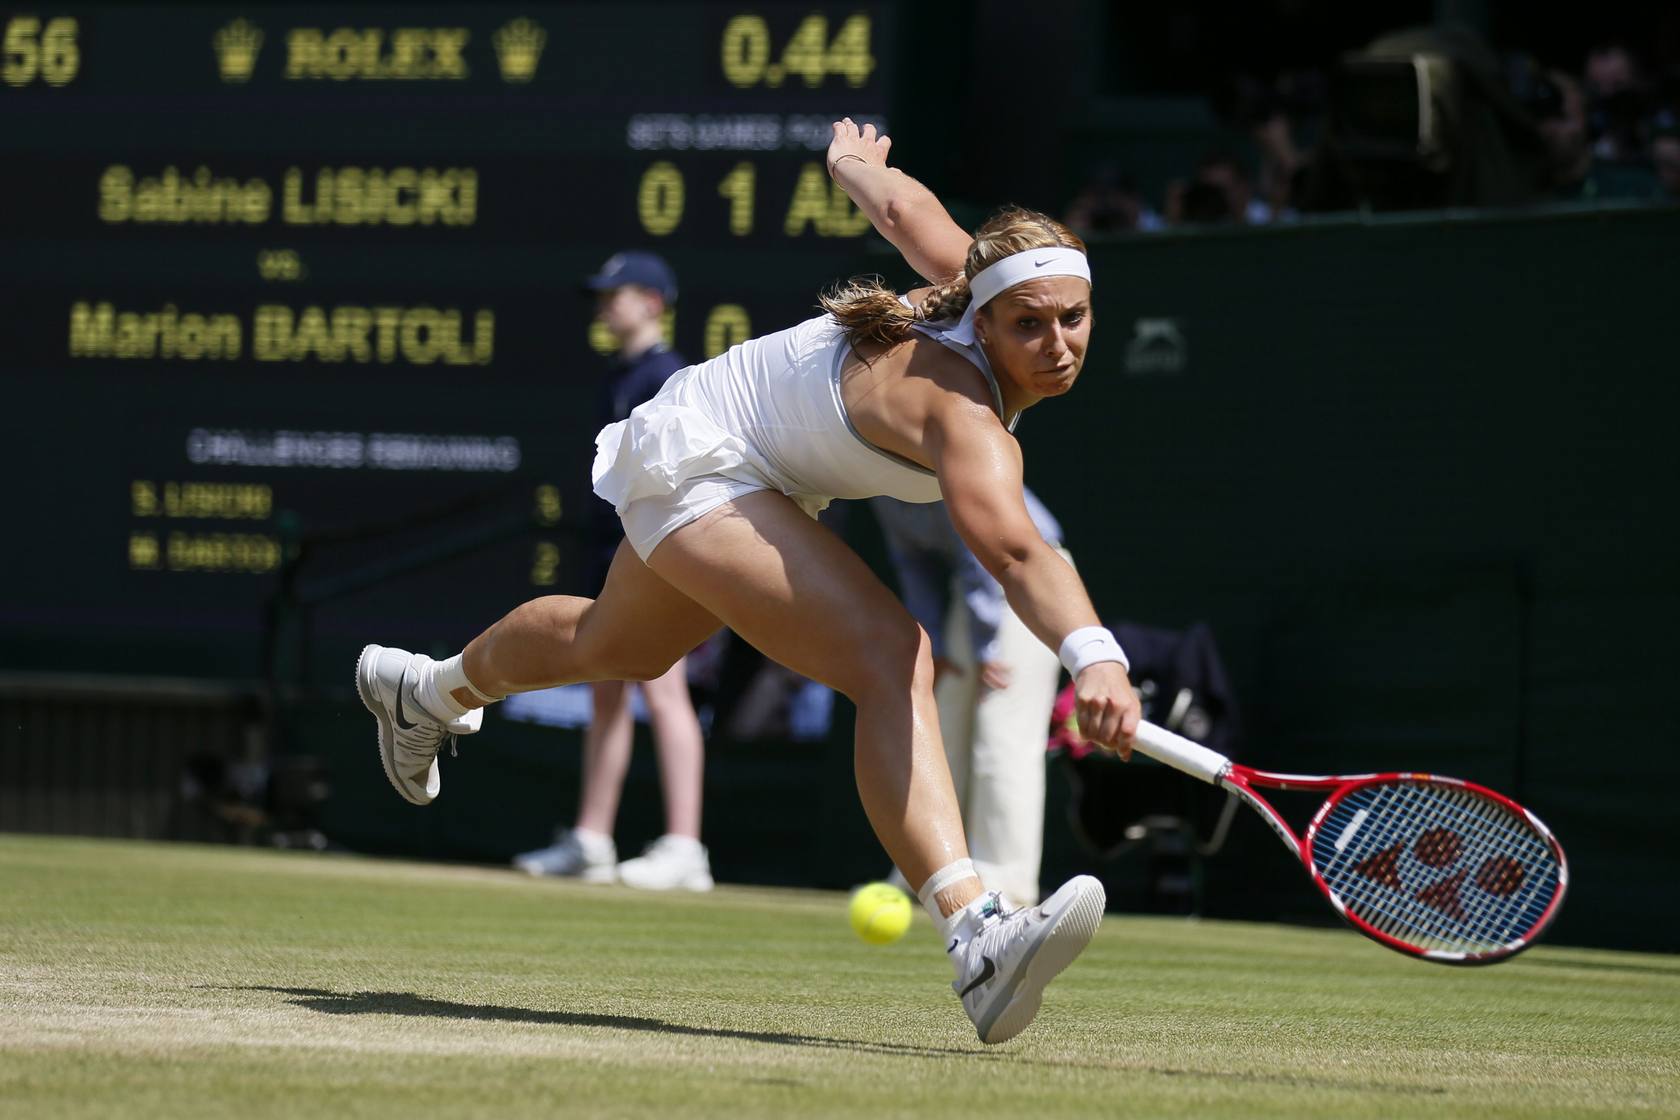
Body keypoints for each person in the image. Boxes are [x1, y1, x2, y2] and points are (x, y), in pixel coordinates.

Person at [354, 118, 1141, 1045]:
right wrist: (1095, 656)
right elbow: (1016, 553)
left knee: (618, 645)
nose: (1055, 343)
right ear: (990, 313)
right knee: (893, 656)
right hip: (708, 455)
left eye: (1072, 318)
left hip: (739, 453)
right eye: (1030, 324)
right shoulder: (964, 416)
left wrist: (854, 166)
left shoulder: (978, 278)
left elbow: (902, 207)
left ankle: (427, 690)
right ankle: (978, 938)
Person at [511, 251, 713, 891]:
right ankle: (592, 839)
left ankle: (686, 847)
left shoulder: (670, 375)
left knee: (664, 689)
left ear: (653, 302)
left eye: (616, 294)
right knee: (605, 689)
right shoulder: (617, 376)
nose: (604, 305)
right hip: (612, 554)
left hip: (662, 557)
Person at [871, 490, 1068, 906]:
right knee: (941, 725)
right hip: (977, 592)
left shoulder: (940, 472)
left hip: (1034, 578)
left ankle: (1007, 884)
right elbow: (915, 564)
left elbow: (975, 551)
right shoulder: (879, 488)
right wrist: (935, 645)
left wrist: (985, 651)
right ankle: (928, 871)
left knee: (1003, 731)